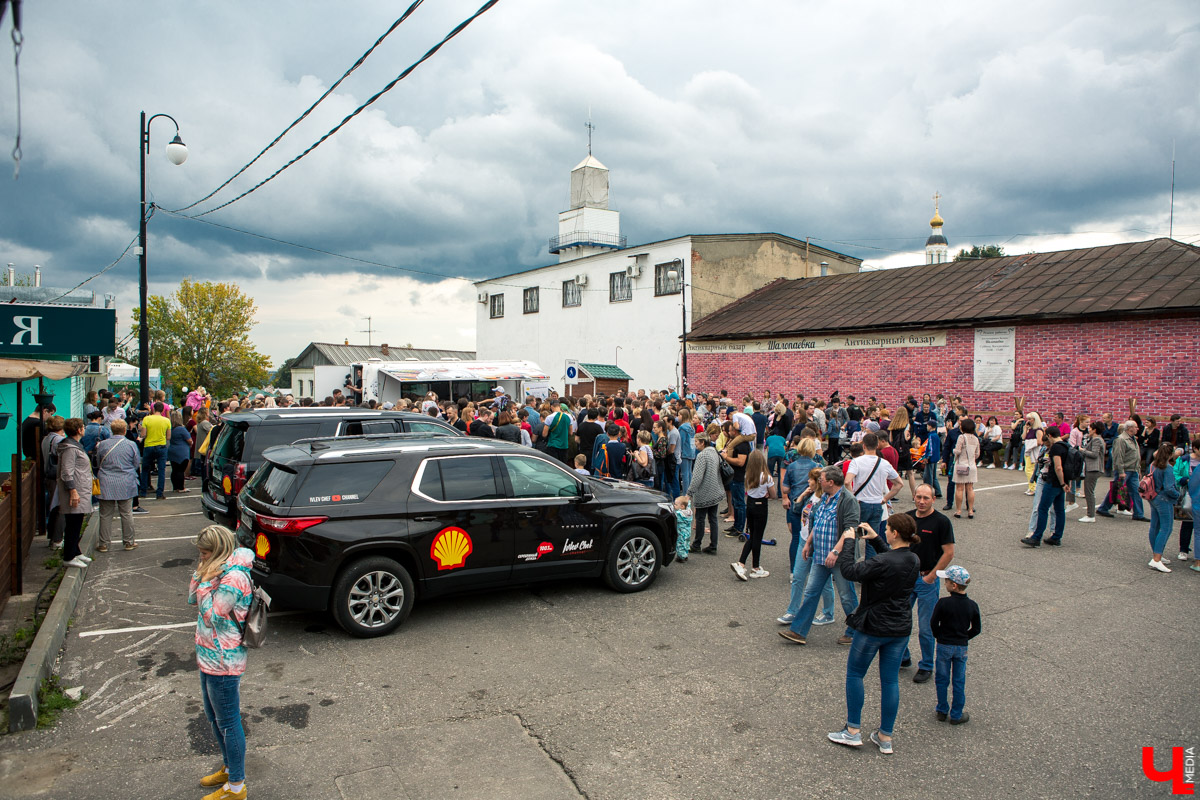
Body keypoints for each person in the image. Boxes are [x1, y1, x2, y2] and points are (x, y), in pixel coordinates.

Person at [825, 513, 922, 754]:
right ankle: (885, 736)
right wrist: (876, 538)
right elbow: (891, 558)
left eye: (887, 529)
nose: (885, 532)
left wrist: (849, 541)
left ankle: (853, 730)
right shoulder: (913, 559)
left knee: (855, 674)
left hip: (873, 626)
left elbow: (850, 571)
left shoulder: (882, 562)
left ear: (895, 533)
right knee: (890, 681)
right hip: (899, 627)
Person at [190, 525, 254, 800]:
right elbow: (192, 598)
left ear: (217, 551)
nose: (201, 557)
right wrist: (201, 574)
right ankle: (229, 768)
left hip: (224, 661)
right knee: (214, 717)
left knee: (228, 722)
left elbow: (212, 615)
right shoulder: (216, 570)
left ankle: (237, 787)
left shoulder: (234, 578)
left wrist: (205, 582)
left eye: (205, 553)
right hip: (208, 656)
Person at [779, 466, 861, 646]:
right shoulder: (825, 497)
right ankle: (798, 631)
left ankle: (856, 631)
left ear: (831, 482)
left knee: (846, 595)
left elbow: (851, 529)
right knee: (811, 592)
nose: (819, 482)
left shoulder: (848, 500)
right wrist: (809, 543)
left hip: (839, 558)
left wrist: (836, 551)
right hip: (820, 555)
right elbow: (818, 522)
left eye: (821, 480)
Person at [901, 484, 955, 684]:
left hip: (926, 580)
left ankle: (926, 665)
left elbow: (949, 552)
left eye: (926, 498)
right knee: (900, 620)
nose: (921, 502)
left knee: (926, 627)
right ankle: (903, 656)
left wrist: (931, 576)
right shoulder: (907, 519)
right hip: (906, 579)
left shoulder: (941, 522)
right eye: (918, 497)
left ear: (933, 499)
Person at [777, 467, 836, 627]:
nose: (808, 481)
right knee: (798, 577)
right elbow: (796, 510)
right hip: (804, 540)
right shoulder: (811, 496)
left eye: (811, 479)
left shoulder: (825, 500)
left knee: (824, 582)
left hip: (817, 544)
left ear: (818, 482)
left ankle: (828, 612)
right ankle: (792, 611)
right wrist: (803, 495)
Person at [930, 565, 981, 725]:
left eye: (946, 581)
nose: (944, 583)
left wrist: (939, 635)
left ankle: (942, 710)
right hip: (961, 646)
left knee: (942, 679)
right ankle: (956, 714)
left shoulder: (943, 603)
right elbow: (976, 629)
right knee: (959, 681)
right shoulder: (972, 605)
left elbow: (933, 623)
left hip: (944, 644)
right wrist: (964, 637)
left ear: (953, 585)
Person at [846, 433, 901, 554]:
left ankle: (850, 562)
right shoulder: (884, 463)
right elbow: (899, 483)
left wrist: (852, 498)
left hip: (860, 503)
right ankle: (871, 564)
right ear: (877, 446)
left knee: (852, 536)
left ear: (864, 446)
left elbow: (847, 481)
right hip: (877, 503)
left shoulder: (856, 462)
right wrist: (885, 498)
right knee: (872, 539)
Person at [95, 419, 141, 552]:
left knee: (105, 514)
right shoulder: (131, 444)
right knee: (126, 513)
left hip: (106, 481)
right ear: (125, 430)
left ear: (112, 430)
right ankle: (129, 541)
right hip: (125, 481)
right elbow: (136, 463)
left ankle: (104, 543)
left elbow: (98, 462)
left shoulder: (102, 444)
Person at [1022, 426, 1070, 547]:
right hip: (1062, 483)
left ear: (1049, 435)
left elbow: (1058, 467)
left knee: (1042, 508)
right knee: (1059, 510)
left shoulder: (1056, 448)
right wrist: (1065, 483)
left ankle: (1036, 537)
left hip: (1053, 481)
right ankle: (1056, 536)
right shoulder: (1066, 446)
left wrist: (1061, 482)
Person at [57, 419, 95, 569]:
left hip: (80, 489)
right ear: (79, 430)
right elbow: (67, 472)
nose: (84, 429)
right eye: (83, 427)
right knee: (73, 523)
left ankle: (75, 551)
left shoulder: (75, 445)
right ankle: (69, 556)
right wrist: (73, 491)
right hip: (76, 490)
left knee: (77, 521)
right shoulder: (70, 448)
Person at [731, 450, 775, 580]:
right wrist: (768, 494)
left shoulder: (748, 475)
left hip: (750, 504)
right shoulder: (766, 477)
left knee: (752, 534)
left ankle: (745, 564)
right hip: (761, 505)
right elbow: (773, 494)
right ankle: (751, 566)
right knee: (757, 537)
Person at [1096, 421, 1147, 521]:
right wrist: (1120, 471)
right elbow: (1118, 457)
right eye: (1135, 427)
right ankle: (1103, 508)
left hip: (1133, 470)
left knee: (1136, 492)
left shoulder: (1133, 439)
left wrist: (1138, 469)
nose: (1137, 429)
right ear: (1129, 428)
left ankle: (1138, 514)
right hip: (1125, 470)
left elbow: (1136, 456)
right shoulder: (1121, 439)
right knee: (1116, 489)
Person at [688, 432, 724, 555]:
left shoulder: (702, 456)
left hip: (704, 492)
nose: (695, 444)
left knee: (700, 518)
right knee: (713, 518)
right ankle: (713, 545)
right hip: (716, 490)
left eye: (696, 442)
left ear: (702, 442)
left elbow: (697, 477)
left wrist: (689, 493)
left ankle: (696, 544)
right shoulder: (714, 452)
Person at [1146, 443, 1180, 573]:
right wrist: (1178, 495)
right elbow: (1169, 488)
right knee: (1166, 528)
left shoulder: (1152, 465)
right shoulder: (1168, 468)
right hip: (1164, 500)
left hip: (1152, 497)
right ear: (1170, 454)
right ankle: (1156, 558)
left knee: (1154, 526)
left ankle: (1156, 553)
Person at [721, 431, 752, 538]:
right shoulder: (736, 443)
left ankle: (739, 528)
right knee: (735, 502)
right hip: (734, 477)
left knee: (739, 503)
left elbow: (740, 462)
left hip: (738, 477)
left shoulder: (742, 445)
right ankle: (736, 526)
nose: (729, 432)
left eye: (730, 430)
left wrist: (726, 457)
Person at [140, 402, 171, 500]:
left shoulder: (147, 419)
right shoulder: (166, 420)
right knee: (161, 470)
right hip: (161, 446)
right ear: (163, 410)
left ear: (153, 409)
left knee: (145, 469)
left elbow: (143, 434)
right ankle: (159, 493)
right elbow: (168, 437)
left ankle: (143, 491)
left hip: (149, 445)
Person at [1078, 421, 1106, 522]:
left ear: (1094, 430)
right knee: (1089, 491)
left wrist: (1082, 450)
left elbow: (1094, 454)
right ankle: (1090, 514)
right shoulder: (1097, 439)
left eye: (1090, 428)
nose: (1088, 429)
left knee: (1089, 491)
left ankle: (1090, 515)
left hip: (1094, 468)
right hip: (1093, 468)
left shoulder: (1096, 440)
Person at [952, 418, 980, 519]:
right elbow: (977, 454)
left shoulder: (961, 437)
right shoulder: (975, 439)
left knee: (959, 488)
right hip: (972, 465)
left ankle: (958, 510)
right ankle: (970, 510)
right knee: (970, 488)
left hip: (962, 465)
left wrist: (954, 451)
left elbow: (958, 451)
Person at [888, 406, 918, 500]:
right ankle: (914, 495)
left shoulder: (892, 425)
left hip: (895, 451)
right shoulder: (907, 425)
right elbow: (906, 438)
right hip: (904, 451)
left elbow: (891, 440)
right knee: (910, 473)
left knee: (894, 472)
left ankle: (891, 494)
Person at [168, 411, 193, 493]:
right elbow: (189, 440)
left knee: (174, 470)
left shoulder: (171, 429)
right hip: (182, 451)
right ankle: (181, 487)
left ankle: (175, 487)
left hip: (172, 450)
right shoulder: (182, 429)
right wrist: (191, 444)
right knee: (181, 470)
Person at [922, 418, 942, 499]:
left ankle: (929, 491)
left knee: (928, 476)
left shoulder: (931, 436)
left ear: (930, 426)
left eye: (927, 425)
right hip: (936, 457)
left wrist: (927, 457)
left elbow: (930, 447)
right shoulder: (936, 435)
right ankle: (937, 491)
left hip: (931, 458)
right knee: (934, 476)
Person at [673, 495, 693, 563]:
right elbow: (688, 505)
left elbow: (674, 516)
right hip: (688, 532)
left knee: (680, 544)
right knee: (686, 543)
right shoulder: (689, 512)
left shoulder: (679, 514)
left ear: (682, 506)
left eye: (676, 504)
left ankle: (681, 557)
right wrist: (688, 501)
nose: (674, 505)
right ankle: (685, 555)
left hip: (681, 532)